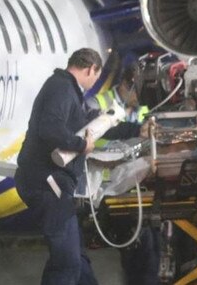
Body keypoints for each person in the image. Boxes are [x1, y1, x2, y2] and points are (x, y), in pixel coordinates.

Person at [15, 48, 145, 285]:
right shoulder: (61, 88)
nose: (96, 81)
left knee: (76, 259)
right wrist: (80, 144)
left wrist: (136, 130)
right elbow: (49, 128)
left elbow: (92, 123)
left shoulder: (67, 91)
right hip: (48, 182)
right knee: (67, 262)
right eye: (96, 76)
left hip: (51, 182)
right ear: (90, 69)